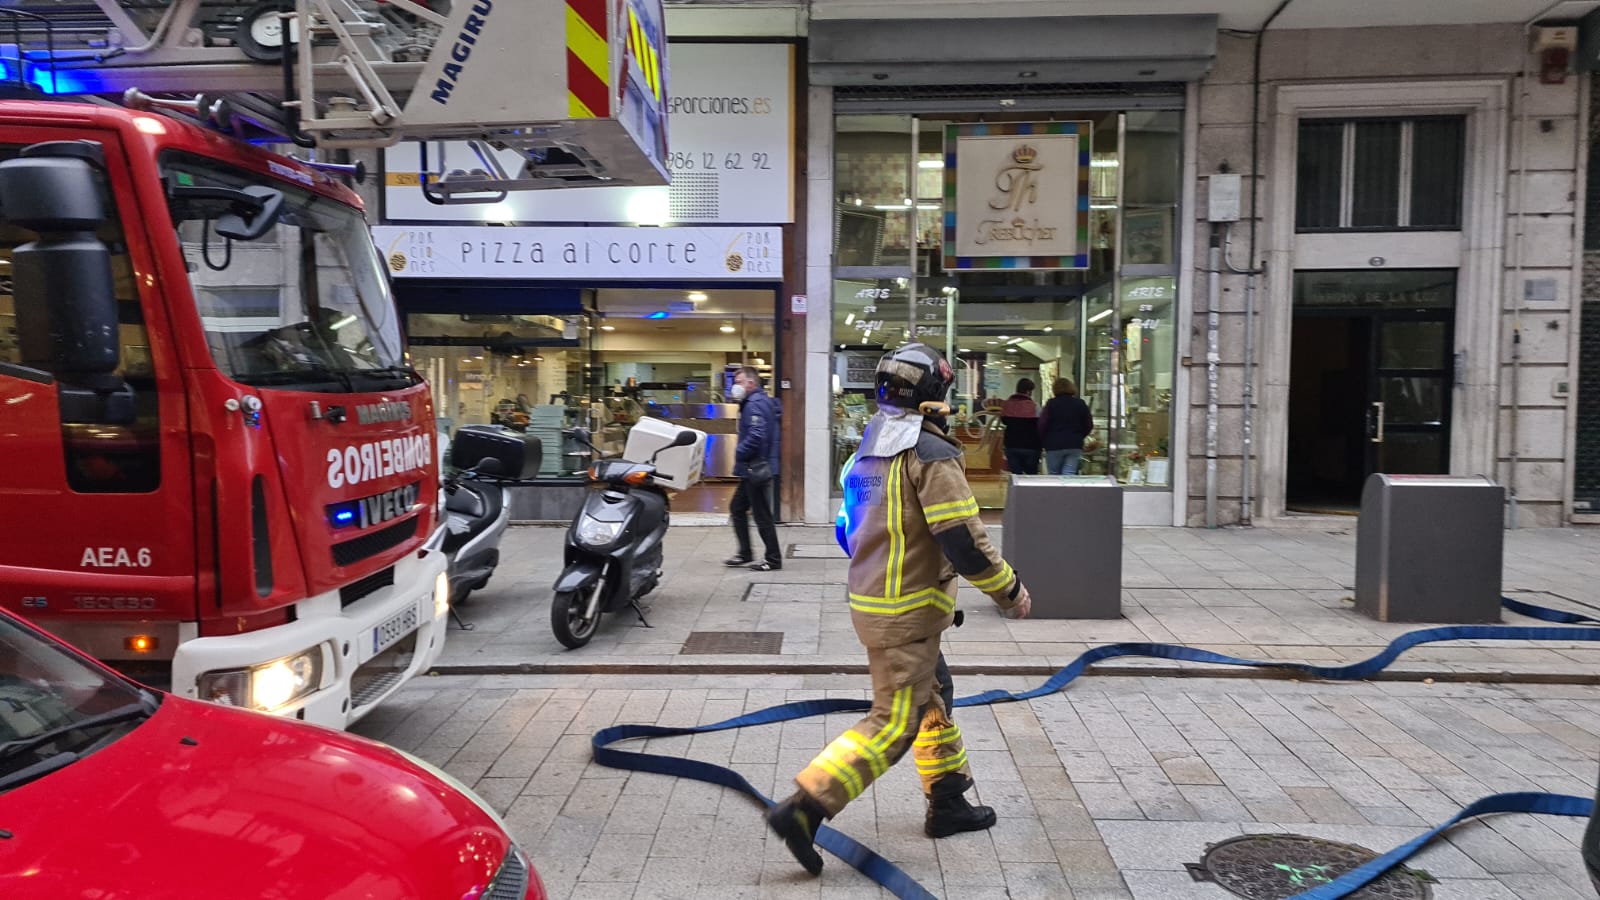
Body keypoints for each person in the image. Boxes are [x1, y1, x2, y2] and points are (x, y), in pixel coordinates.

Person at [766, 343, 1032, 876]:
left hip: (879, 604)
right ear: (934, 397)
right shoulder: (931, 455)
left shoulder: (866, 451)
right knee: (894, 722)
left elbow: (849, 530)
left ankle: (949, 800)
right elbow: (962, 540)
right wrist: (1010, 592)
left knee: (932, 701)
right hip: (907, 614)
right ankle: (806, 807)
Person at [727, 366, 783, 571]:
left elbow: (757, 435)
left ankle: (773, 559)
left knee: (762, 515)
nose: (736, 386)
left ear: (751, 383)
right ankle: (745, 553)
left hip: (755, 467)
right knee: (737, 508)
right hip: (753, 468)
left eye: (739, 382)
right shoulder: (757, 401)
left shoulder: (754, 404)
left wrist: (739, 452)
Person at [1039, 377, 1094, 475]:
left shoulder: (1051, 404)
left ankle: (1056, 491)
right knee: (1069, 474)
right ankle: (1068, 490)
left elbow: (1042, 424)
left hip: (1053, 444)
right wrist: (1079, 436)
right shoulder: (1080, 403)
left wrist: (1044, 440)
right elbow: (1089, 424)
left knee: (1054, 474)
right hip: (1074, 444)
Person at [1000, 378, 1042, 476]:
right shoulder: (1035, 406)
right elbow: (1040, 425)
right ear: (1028, 391)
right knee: (1031, 476)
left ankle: (1017, 491)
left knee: (1016, 476)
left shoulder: (1006, 405)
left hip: (1011, 444)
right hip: (1031, 446)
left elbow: (1004, 421)